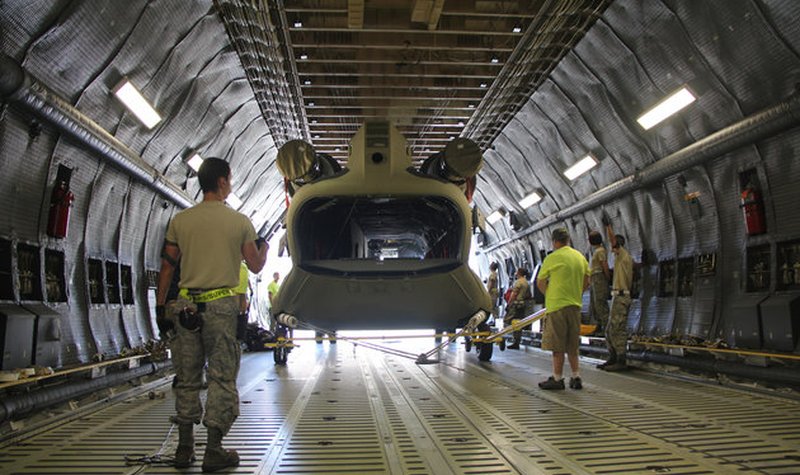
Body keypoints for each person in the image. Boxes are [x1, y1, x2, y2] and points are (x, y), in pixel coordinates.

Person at [155, 157, 267, 472]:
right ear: (221, 181)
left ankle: (184, 448)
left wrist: (161, 307)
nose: (230, 185)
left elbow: (167, 267)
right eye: (229, 180)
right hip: (220, 308)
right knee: (221, 378)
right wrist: (265, 246)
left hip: (185, 307)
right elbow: (255, 265)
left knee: (187, 378)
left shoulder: (180, 221)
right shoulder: (239, 222)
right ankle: (214, 450)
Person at [536, 228, 590, 390]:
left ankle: (557, 378)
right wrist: (577, 293)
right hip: (575, 305)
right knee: (572, 344)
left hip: (557, 306)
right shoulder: (580, 257)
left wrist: (550, 294)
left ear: (554, 241)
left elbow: (540, 282)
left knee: (557, 344)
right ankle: (576, 376)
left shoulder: (552, 258)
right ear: (568, 240)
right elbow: (587, 280)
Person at [598, 216, 633, 372]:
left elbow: (613, 241)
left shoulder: (623, 255)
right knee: (609, 329)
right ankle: (612, 357)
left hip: (621, 297)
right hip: (617, 297)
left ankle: (621, 359)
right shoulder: (621, 259)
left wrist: (608, 227)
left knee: (618, 329)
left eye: (613, 246)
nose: (611, 249)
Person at [503, 267, 532, 350]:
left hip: (515, 305)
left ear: (519, 273)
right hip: (522, 305)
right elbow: (528, 295)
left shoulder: (518, 282)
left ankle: (502, 338)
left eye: (517, 272)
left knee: (507, 321)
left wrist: (509, 304)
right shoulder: (526, 282)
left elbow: (514, 294)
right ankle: (516, 342)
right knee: (518, 323)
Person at [588, 230, 610, 334]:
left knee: (600, 302)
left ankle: (606, 327)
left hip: (599, 278)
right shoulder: (596, 251)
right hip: (594, 278)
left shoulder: (600, 251)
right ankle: (599, 325)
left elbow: (604, 264)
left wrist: (607, 277)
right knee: (595, 303)